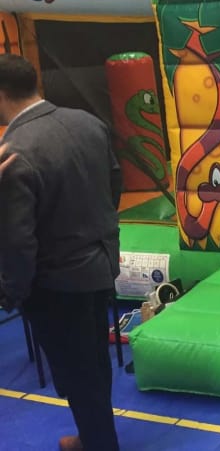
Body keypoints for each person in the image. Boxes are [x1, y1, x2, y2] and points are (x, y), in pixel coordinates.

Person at [0, 54, 122, 451]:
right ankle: (93, 435)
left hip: (56, 282)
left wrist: (10, 292)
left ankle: (100, 443)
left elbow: (18, 241)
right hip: (100, 264)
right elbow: (114, 184)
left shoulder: (14, 152)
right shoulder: (88, 122)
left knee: (76, 372)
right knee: (93, 364)